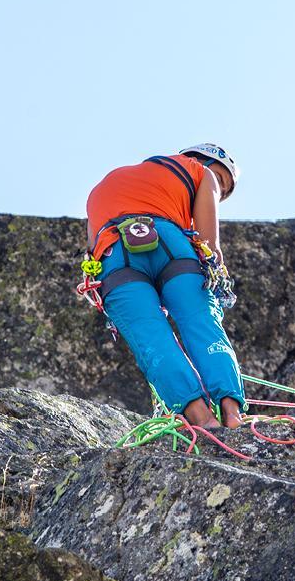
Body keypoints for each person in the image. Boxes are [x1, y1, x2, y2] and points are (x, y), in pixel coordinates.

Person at [85, 144, 245, 429]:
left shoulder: (103, 185)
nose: (219, 192)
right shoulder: (199, 171)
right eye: (221, 183)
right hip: (171, 244)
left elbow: (92, 245)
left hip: (114, 254)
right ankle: (232, 414)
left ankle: (202, 420)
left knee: (151, 339)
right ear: (200, 159)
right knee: (201, 321)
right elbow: (210, 246)